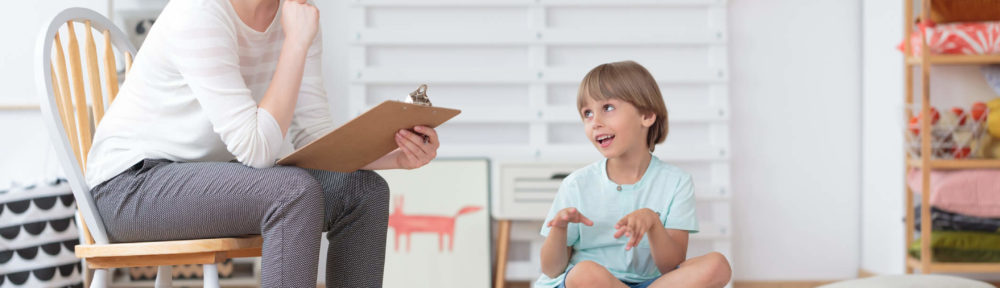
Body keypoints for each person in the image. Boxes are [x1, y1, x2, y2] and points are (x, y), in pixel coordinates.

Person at [85, 0, 438, 286]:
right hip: (129, 188)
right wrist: (296, 42)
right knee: (292, 192)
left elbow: (315, 136)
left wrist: (392, 155)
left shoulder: (299, 16)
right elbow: (257, 151)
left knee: (363, 191)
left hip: (207, 177)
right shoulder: (199, 14)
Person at [536, 61, 732, 288]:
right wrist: (559, 230)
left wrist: (653, 223)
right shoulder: (576, 184)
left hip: (649, 283)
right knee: (585, 273)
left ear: (647, 115)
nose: (595, 122)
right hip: (587, 283)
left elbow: (671, 265)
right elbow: (551, 269)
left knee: (717, 265)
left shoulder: (677, 182)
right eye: (587, 113)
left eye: (607, 108)